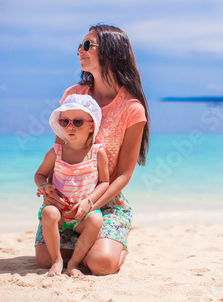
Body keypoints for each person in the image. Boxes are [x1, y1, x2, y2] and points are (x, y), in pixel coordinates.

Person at [35, 24, 150, 276]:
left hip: (104, 203)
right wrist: (50, 192)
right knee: (45, 260)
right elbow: (60, 151)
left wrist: (90, 203)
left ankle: (111, 242)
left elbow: (123, 175)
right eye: (80, 45)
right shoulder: (73, 95)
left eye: (87, 45)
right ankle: (88, 245)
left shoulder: (132, 108)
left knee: (101, 264)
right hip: (68, 200)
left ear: (112, 52)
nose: (80, 50)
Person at [35, 94, 109, 277]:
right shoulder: (56, 152)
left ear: (92, 126)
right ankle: (56, 260)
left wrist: (89, 202)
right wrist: (44, 185)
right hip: (59, 212)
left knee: (96, 220)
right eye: (64, 121)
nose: (69, 126)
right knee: (48, 212)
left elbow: (105, 182)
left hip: (83, 214)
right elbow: (39, 174)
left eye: (77, 122)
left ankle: (74, 263)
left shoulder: (97, 153)